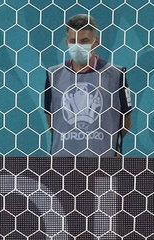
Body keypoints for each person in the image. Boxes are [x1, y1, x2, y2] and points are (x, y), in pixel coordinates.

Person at [44, 14, 133, 157]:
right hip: (61, 163)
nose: (78, 46)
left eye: (84, 41)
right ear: (67, 44)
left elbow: (125, 122)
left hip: (104, 161)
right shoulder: (53, 74)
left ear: (96, 42)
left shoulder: (116, 74)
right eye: (73, 41)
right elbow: (52, 120)